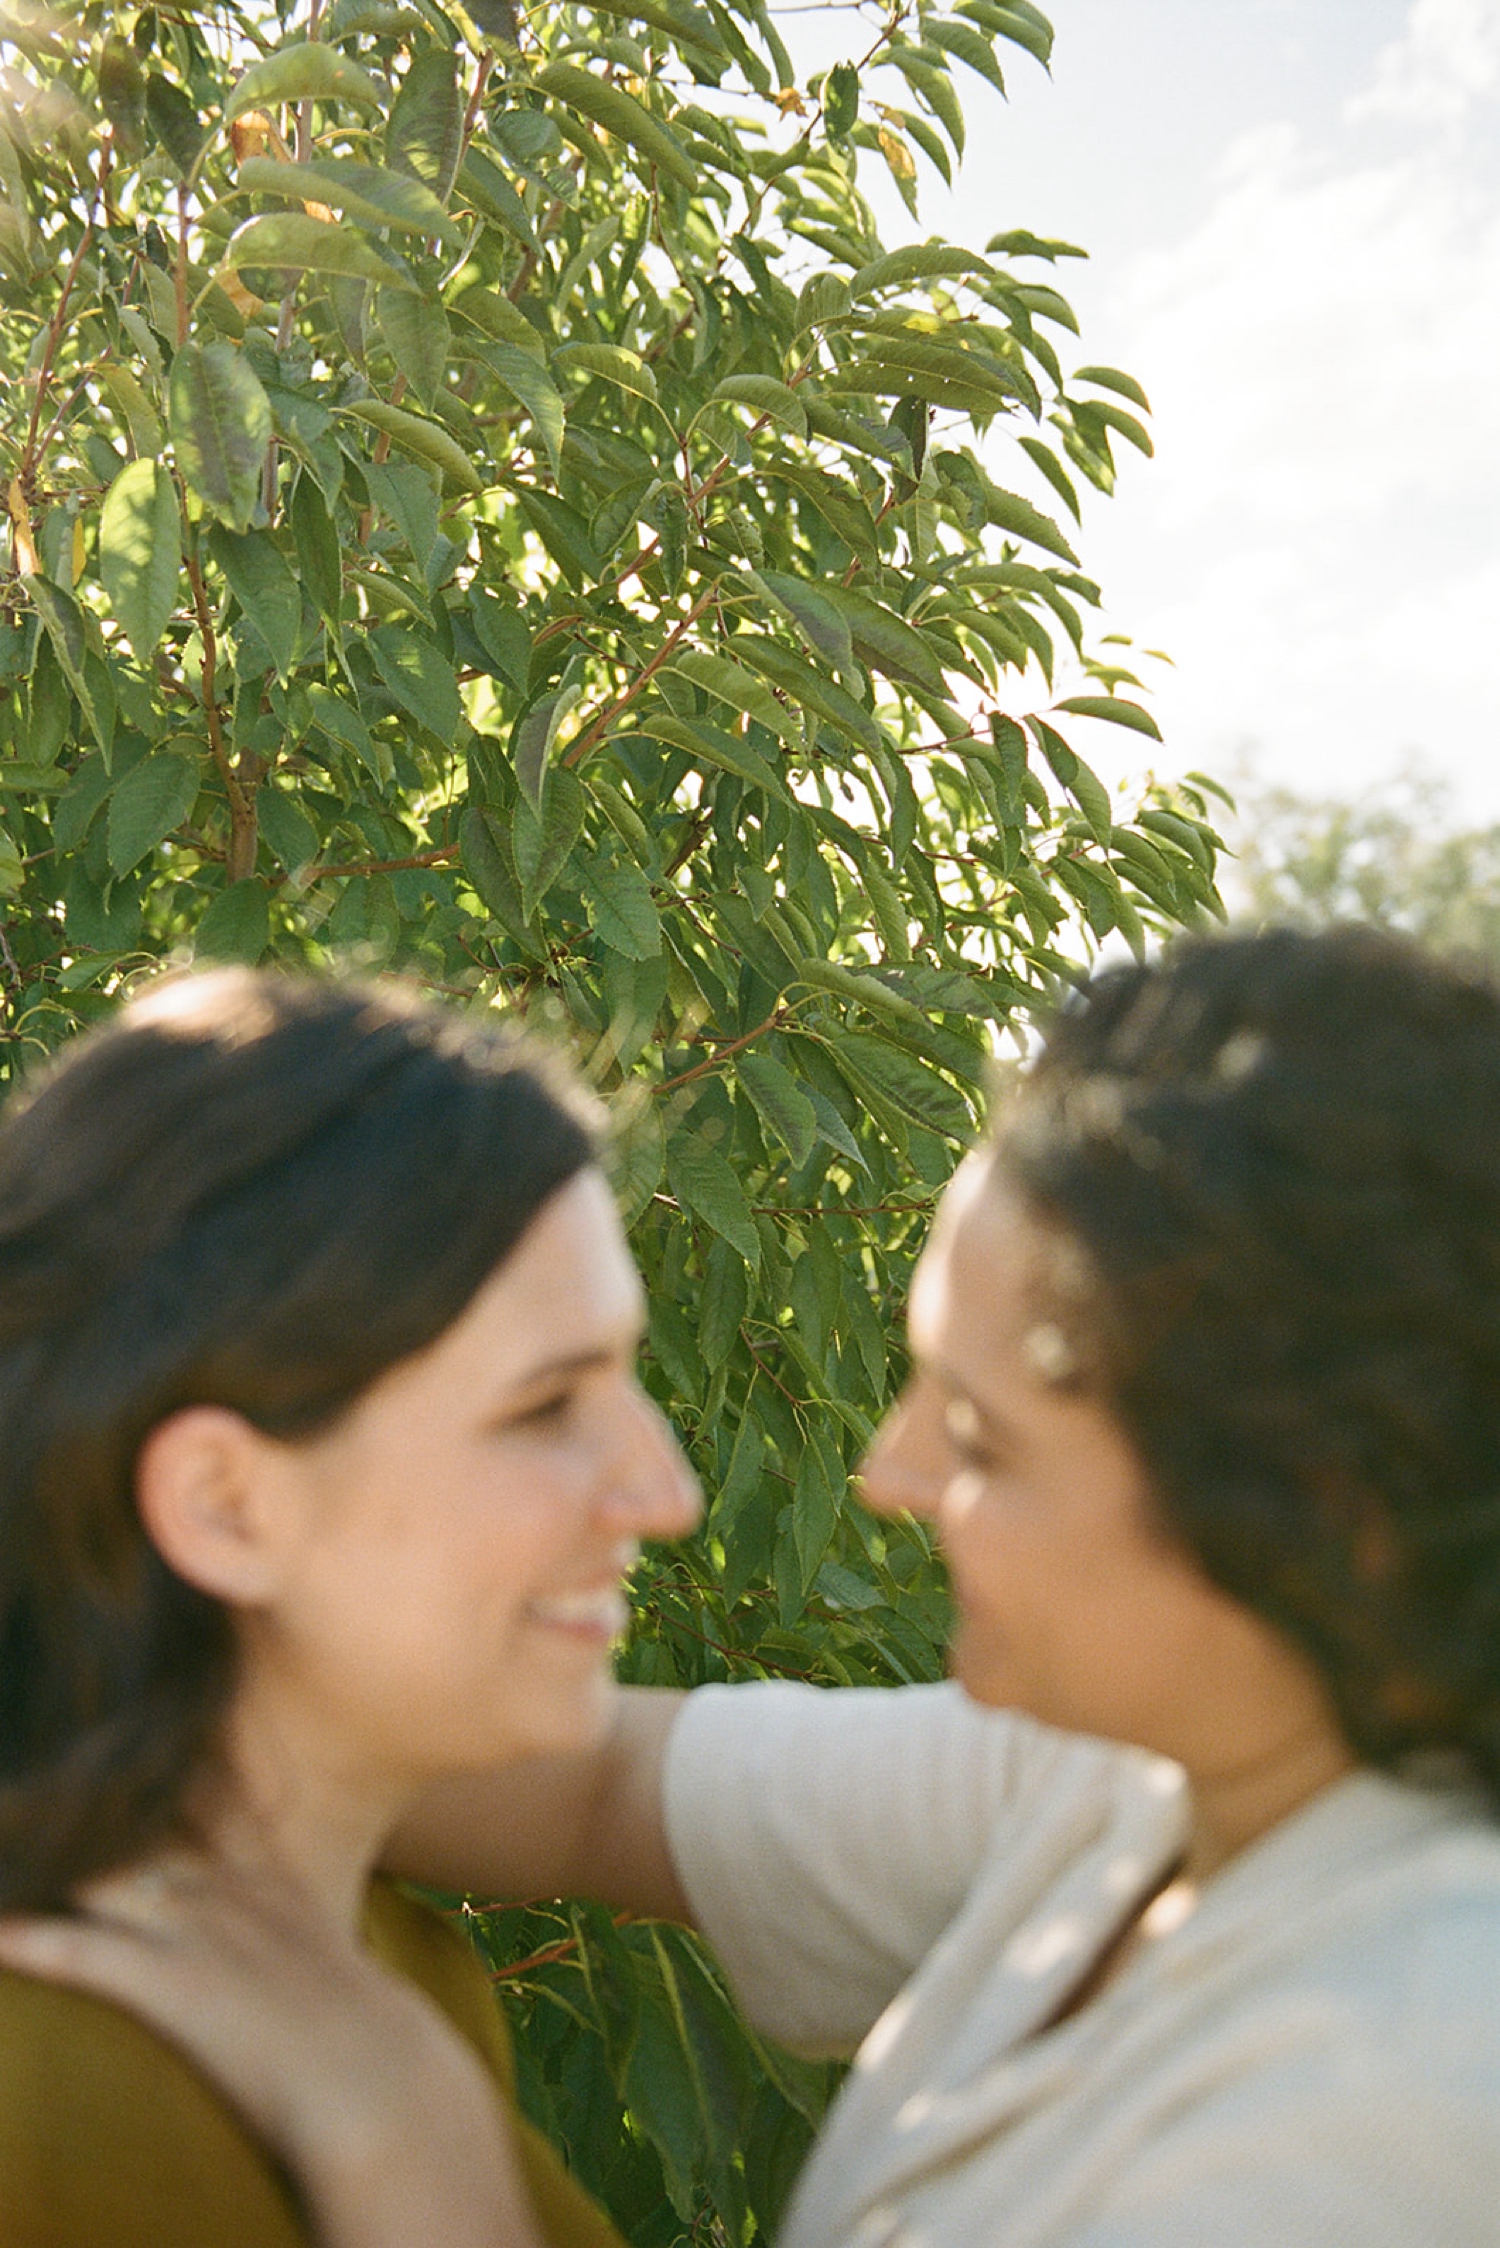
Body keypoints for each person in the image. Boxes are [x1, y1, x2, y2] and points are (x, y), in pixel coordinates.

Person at [7, 926, 1500, 2244]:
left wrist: (401, 2126)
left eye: (978, 1435)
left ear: (1325, 1513)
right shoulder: (1138, 1779)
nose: (886, 1475)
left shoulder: (1415, 2075)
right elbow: (601, 1781)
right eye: (544, 1403)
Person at [0, 968, 700, 2248]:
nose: (667, 1492)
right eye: (545, 1406)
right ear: (226, 1503)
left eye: (628, 1374)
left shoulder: (385, 1968)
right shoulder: (58, 2108)